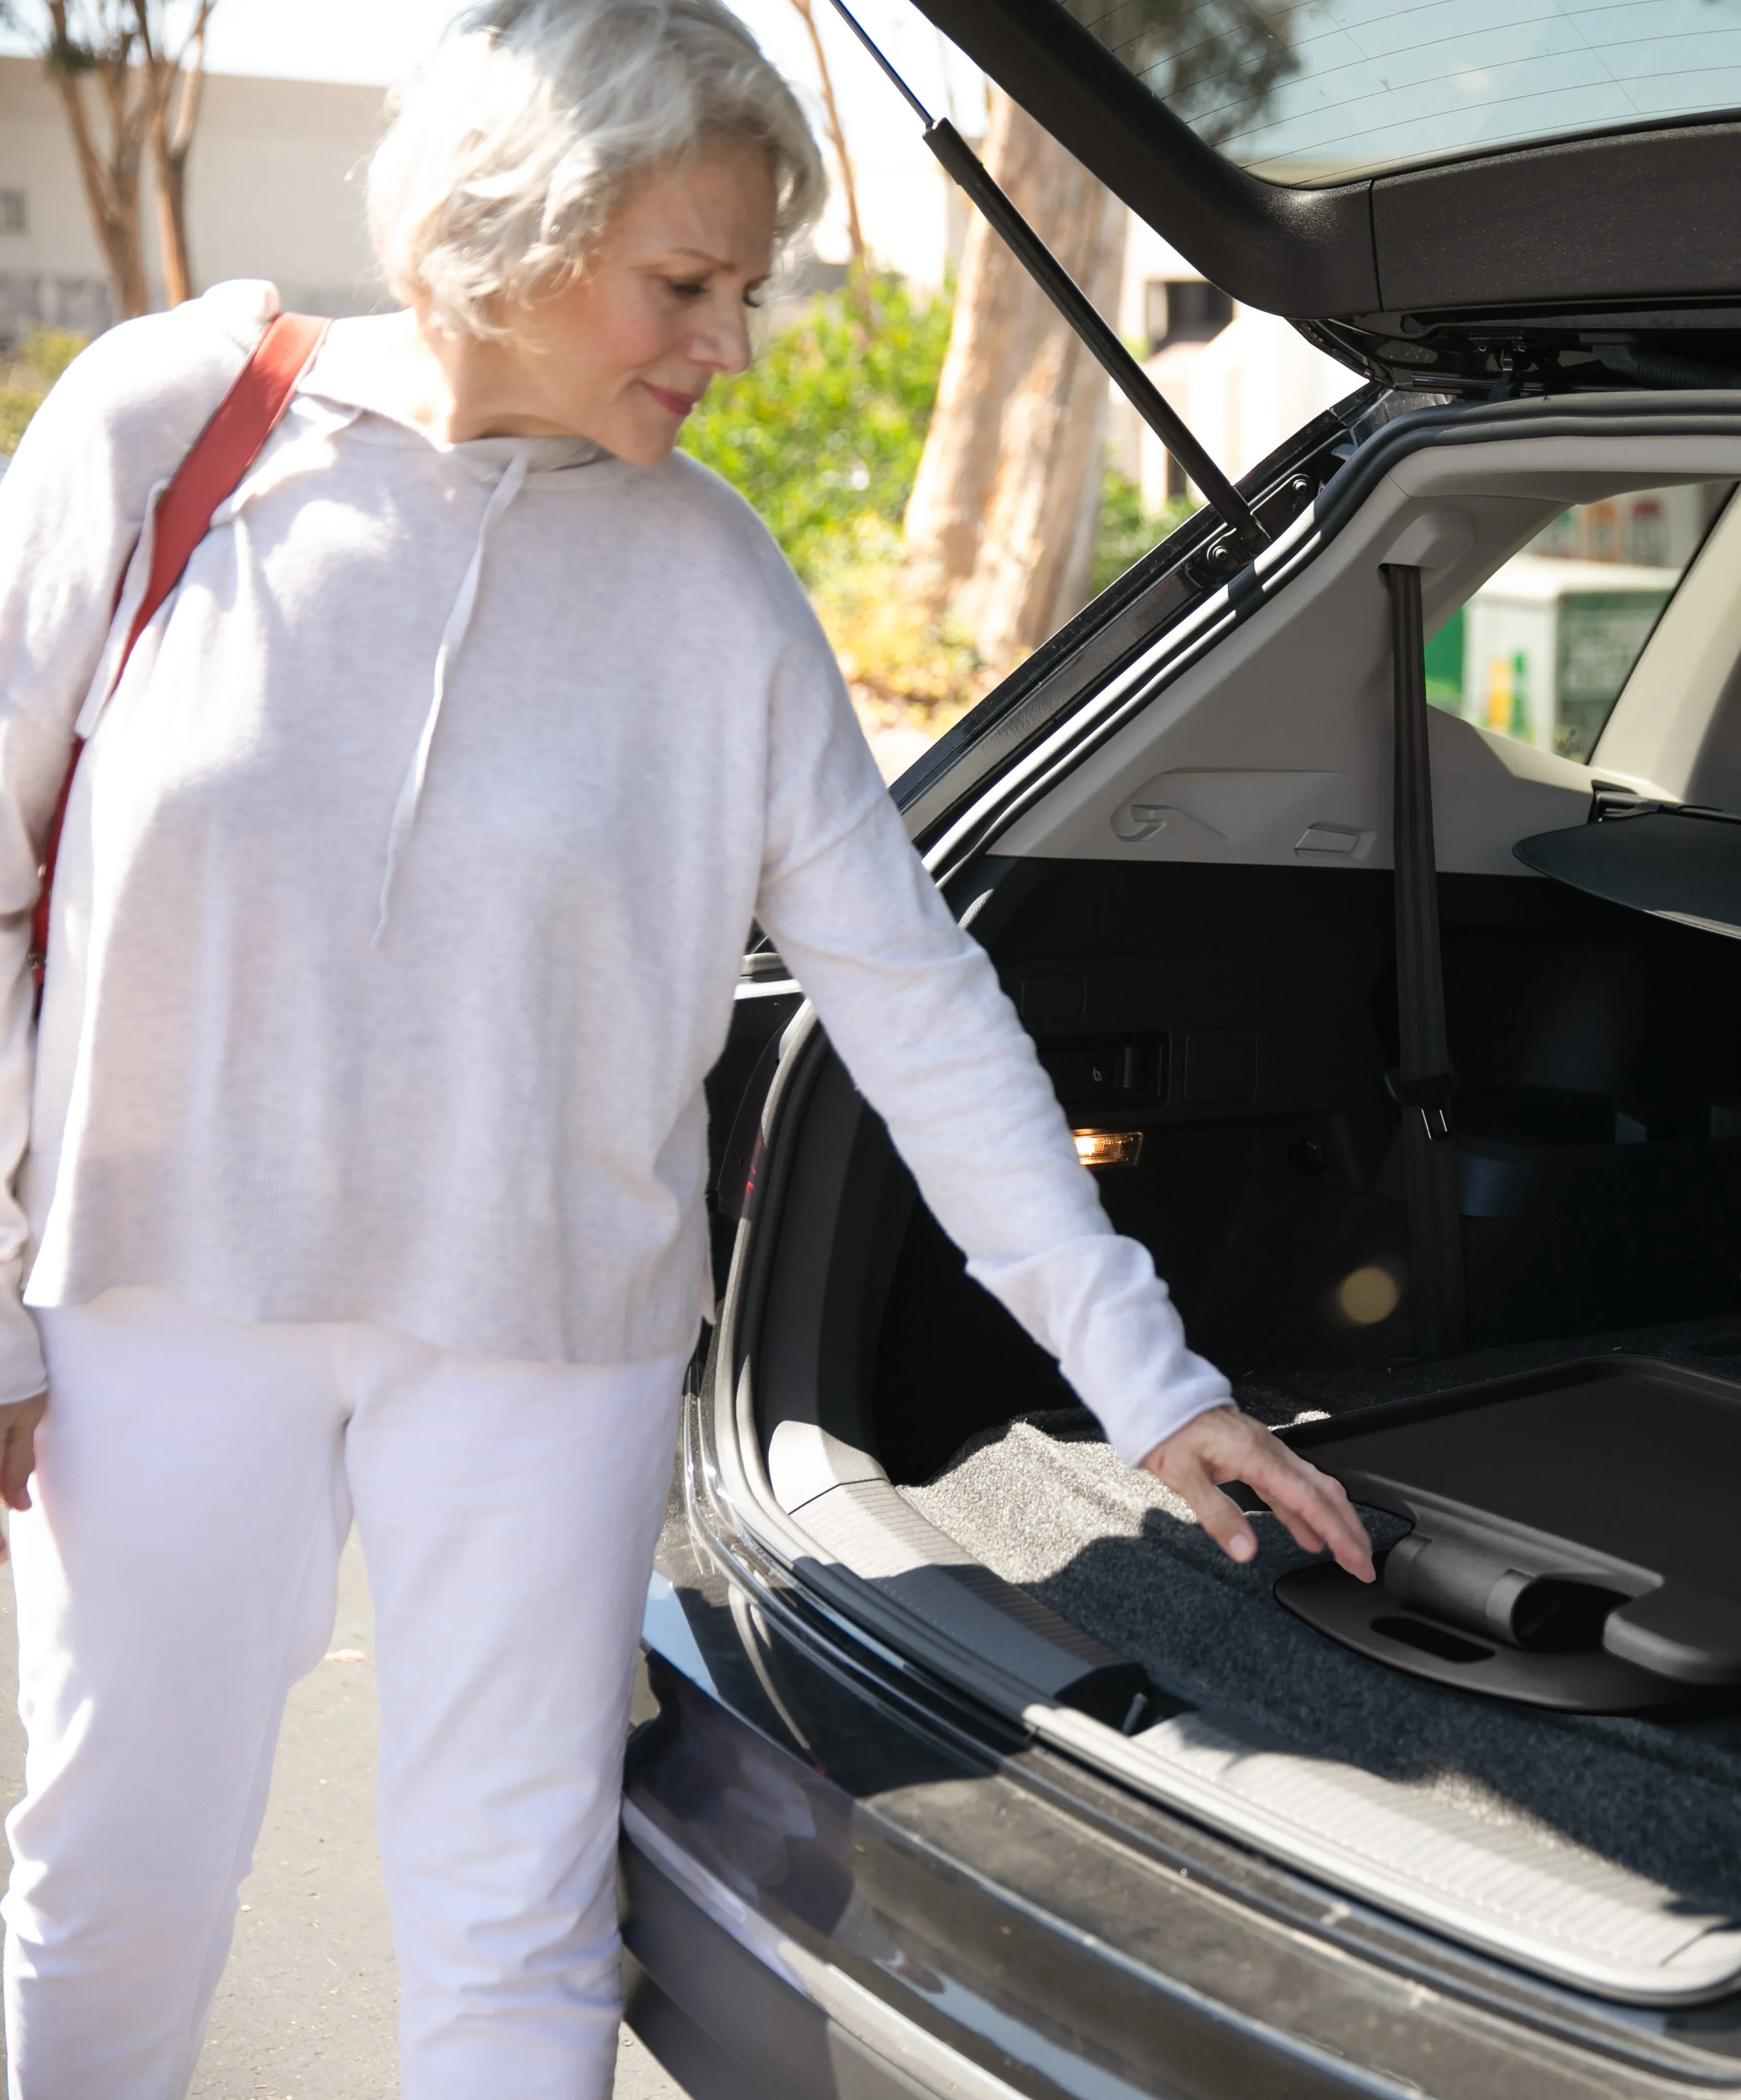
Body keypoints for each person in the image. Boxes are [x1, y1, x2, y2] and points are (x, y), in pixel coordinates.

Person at [0, 1, 1372, 2093]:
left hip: (546, 1338)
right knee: (112, 1879)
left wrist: (1149, 1382)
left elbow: (915, 997)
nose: (730, 342)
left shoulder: (717, 587)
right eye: (685, 282)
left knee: (512, 1906)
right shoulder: (174, 426)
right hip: (159, 1292)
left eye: (747, 286)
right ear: (500, 231)